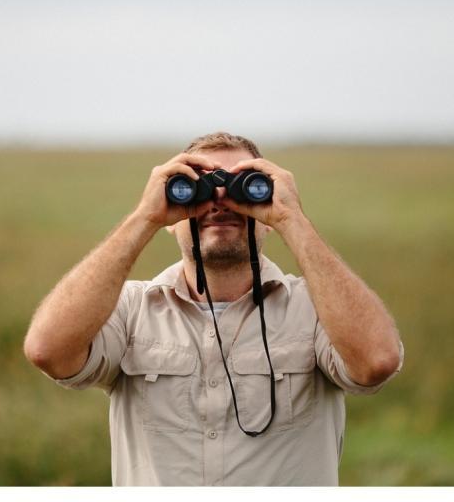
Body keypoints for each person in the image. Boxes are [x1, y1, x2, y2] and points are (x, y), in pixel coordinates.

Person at [23, 132, 404, 486]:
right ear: (172, 216)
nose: (220, 203)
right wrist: (144, 218)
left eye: (243, 186)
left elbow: (376, 362)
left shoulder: (316, 309)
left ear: (267, 215)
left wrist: (293, 219)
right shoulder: (130, 310)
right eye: (199, 186)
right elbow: (48, 350)